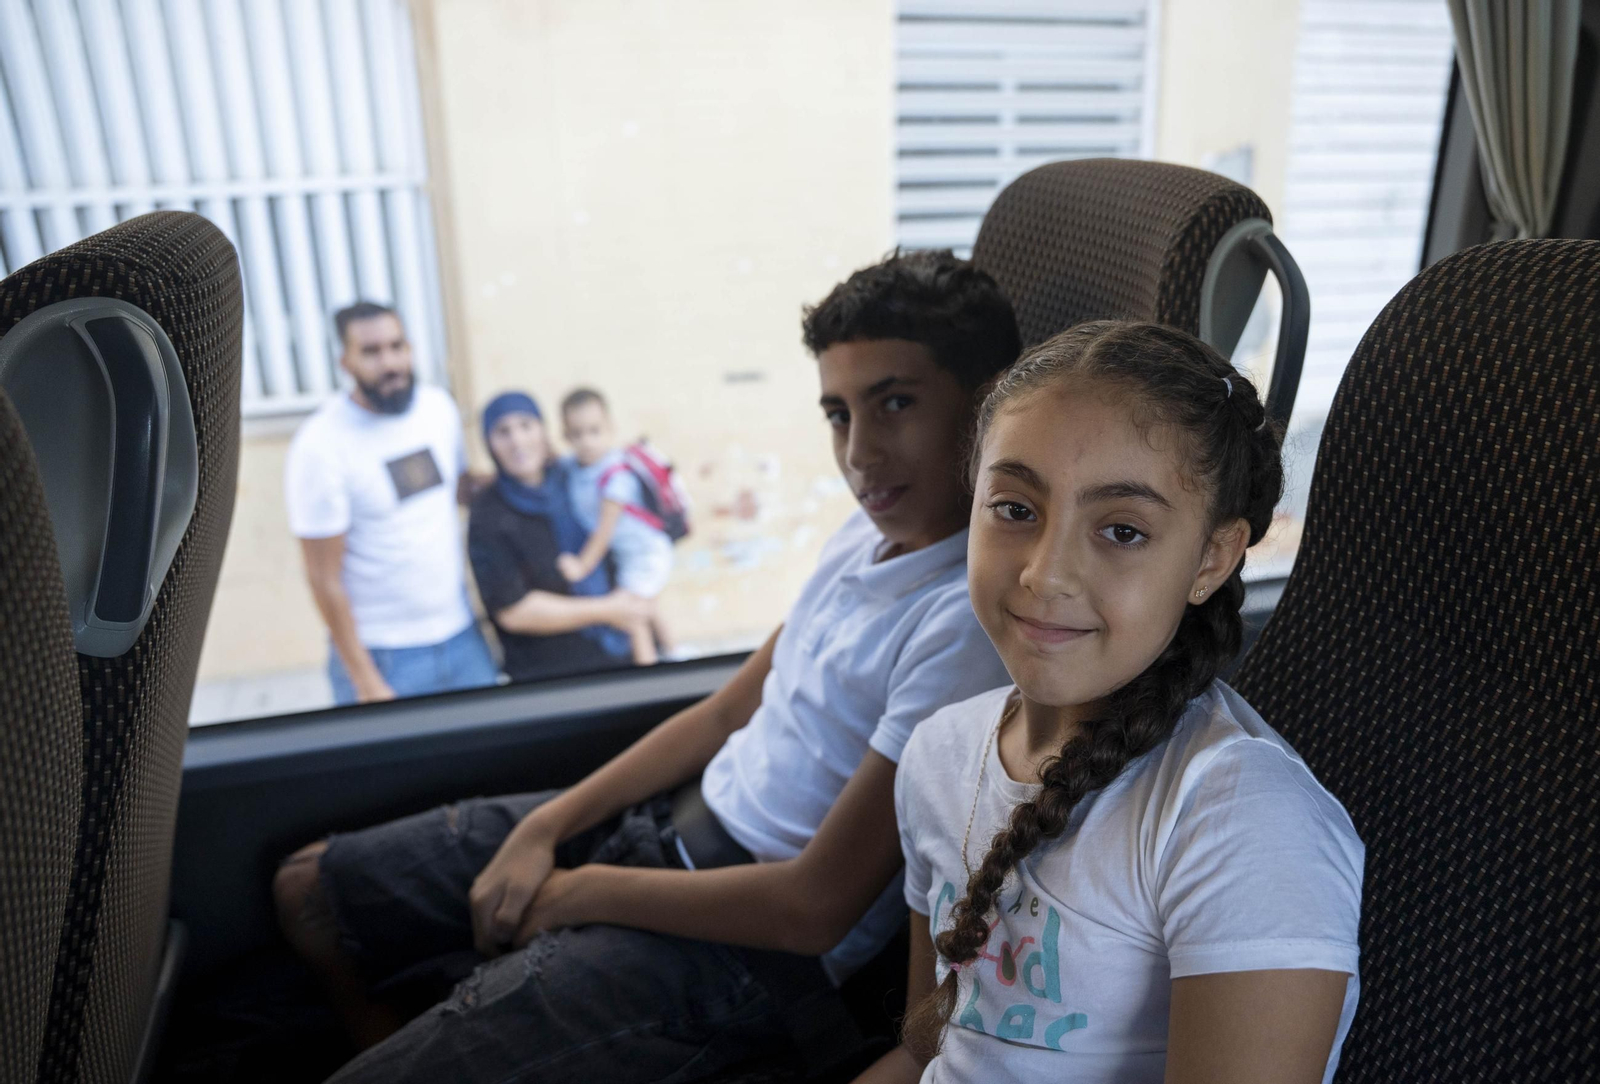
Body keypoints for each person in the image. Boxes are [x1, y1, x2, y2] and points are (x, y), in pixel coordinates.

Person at [270, 249, 1020, 1083]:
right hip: (668, 830)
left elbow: (813, 907)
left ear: (989, 402)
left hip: (741, 952)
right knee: (309, 891)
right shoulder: (867, 535)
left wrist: (579, 892)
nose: (861, 454)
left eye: (896, 404)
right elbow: (724, 714)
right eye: (839, 414)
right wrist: (546, 828)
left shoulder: (963, 622)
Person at [864, 322, 1364, 1084]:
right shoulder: (937, 753)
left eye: (1122, 530)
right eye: (1015, 509)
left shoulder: (1237, 818)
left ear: (1211, 560)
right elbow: (930, 1049)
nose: (1046, 573)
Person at [284, 301, 497, 705]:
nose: (390, 362)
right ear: (344, 361)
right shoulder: (320, 446)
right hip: (385, 657)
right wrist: (365, 679)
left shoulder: (439, 409)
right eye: (371, 352)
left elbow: (454, 491)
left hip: (463, 637)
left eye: (397, 346)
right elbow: (322, 577)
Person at [467, 391, 644, 684]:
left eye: (526, 425)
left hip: (618, 658)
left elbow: (624, 536)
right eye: (503, 432)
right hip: (550, 679)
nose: (517, 441)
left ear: (543, 431)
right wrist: (608, 610)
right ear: (489, 443)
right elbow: (514, 611)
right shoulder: (488, 514)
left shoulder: (574, 478)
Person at [556, 387, 675, 665]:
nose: (586, 441)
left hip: (646, 554)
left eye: (594, 431)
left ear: (609, 428)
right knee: (649, 606)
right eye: (577, 434)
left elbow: (603, 532)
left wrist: (581, 567)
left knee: (632, 614)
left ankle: (652, 673)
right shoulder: (574, 465)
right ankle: (673, 653)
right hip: (631, 555)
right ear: (565, 435)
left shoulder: (616, 476)